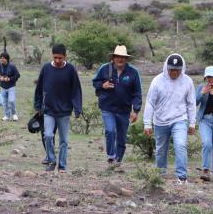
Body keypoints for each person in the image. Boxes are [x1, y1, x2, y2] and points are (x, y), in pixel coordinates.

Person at [143, 54, 196, 184]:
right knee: (161, 149)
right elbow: (150, 103)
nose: (174, 72)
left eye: (177, 70)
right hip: (160, 120)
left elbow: (191, 103)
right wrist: (147, 124)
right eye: (171, 69)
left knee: (180, 145)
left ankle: (182, 177)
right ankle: (160, 175)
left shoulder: (187, 81)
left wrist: (192, 122)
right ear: (166, 68)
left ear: (181, 69)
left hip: (179, 119)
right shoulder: (157, 81)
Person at [34, 44, 83, 172]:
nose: (57, 60)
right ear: (52, 56)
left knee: (64, 141)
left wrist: (78, 107)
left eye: (60, 58)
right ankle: (51, 160)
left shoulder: (71, 69)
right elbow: (39, 88)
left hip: (65, 111)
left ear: (65, 56)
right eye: (55, 57)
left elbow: (76, 90)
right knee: (48, 135)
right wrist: (38, 105)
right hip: (48, 110)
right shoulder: (46, 68)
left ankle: (62, 166)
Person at [92, 45, 142, 168]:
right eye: (118, 57)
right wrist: (103, 85)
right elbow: (95, 82)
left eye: (123, 57)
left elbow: (137, 93)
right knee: (110, 130)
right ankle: (111, 156)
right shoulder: (104, 69)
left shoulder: (133, 72)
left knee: (121, 138)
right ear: (113, 57)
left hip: (124, 110)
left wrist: (136, 110)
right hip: (107, 108)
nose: (120, 59)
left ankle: (117, 162)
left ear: (126, 59)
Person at [0, 52, 21, 122]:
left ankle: (14, 114)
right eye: (1, 58)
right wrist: (0, 78)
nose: (2, 60)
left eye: (4, 58)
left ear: (7, 59)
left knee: (11, 100)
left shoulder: (12, 66)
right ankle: (7, 116)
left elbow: (18, 75)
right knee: (4, 102)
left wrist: (9, 79)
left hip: (11, 86)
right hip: (3, 87)